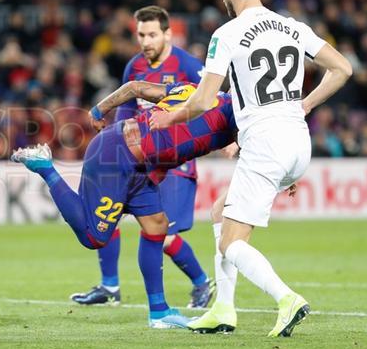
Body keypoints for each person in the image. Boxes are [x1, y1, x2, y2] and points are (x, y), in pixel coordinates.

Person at [149, 0, 352, 337]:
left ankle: (287, 298)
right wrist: (306, 104)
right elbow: (343, 68)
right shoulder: (293, 27)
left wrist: (167, 118)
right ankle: (223, 310)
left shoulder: (227, 34)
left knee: (230, 244)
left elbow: (203, 99)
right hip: (297, 141)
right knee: (219, 211)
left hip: (267, 143)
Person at [12, 80, 236, 328]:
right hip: (115, 156)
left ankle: (159, 312)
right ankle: (45, 167)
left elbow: (136, 88)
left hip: (139, 164)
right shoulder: (239, 113)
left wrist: (99, 109)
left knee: (157, 226)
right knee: (93, 238)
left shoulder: (190, 89)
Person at [70, 6, 214, 309]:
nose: (146, 41)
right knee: (108, 213)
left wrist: (224, 142)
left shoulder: (189, 66)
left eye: (152, 35)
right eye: (141, 35)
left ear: (168, 34)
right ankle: (110, 286)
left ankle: (202, 283)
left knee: (161, 233)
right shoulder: (133, 67)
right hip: (140, 158)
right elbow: (126, 113)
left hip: (176, 160)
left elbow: (212, 106)